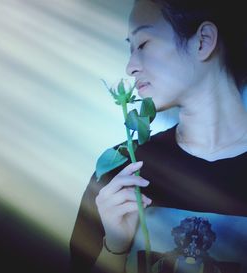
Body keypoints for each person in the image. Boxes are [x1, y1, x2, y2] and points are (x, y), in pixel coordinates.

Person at [69, 0, 247, 272]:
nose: (130, 67)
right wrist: (115, 247)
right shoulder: (120, 174)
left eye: (143, 44)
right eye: (130, 48)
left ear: (203, 41)